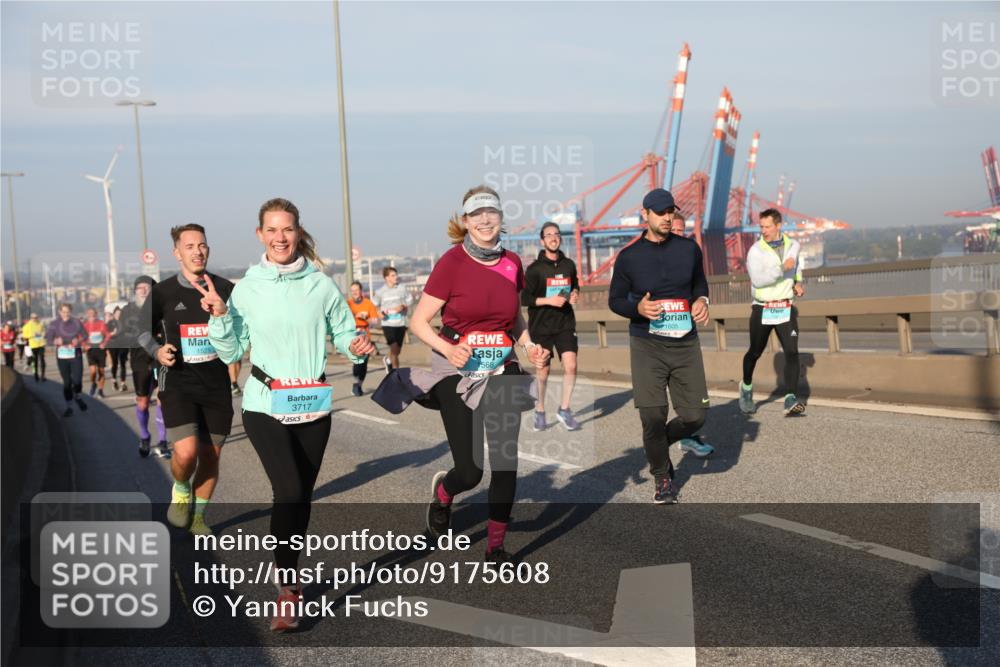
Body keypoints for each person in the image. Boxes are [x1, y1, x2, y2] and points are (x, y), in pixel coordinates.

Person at [204, 197, 373, 632]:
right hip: (265, 402)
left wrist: (356, 344)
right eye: (272, 230)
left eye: (288, 229)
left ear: (299, 233)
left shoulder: (321, 284)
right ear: (260, 234)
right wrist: (221, 316)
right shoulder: (248, 286)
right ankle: (287, 590)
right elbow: (231, 349)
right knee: (290, 488)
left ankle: (289, 575)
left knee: (300, 498)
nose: (280, 238)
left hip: (313, 402)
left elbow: (344, 331)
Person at [407, 185, 548, 564]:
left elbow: (514, 319)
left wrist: (529, 344)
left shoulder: (512, 263)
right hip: (457, 368)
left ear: (501, 218)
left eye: (492, 212)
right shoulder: (451, 263)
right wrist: (448, 347)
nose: (485, 220)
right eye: (477, 213)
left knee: (505, 462)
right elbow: (418, 322)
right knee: (470, 471)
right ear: (465, 221)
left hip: (502, 367)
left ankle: (496, 547)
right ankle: (444, 493)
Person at [609, 188, 715, 505]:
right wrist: (637, 309)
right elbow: (615, 300)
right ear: (646, 215)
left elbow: (699, 283)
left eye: (671, 211)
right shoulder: (628, 257)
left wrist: (702, 300)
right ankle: (662, 477)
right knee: (653, 416)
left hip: (685, 343)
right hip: (647, 344)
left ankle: (657, 444)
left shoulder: (689, 249)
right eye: (660, 212)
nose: (667, 217)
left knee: (696, 416)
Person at [139, 224, 236, 537]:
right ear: (177, 252)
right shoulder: (163, 292)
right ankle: (181, 488)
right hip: (178, 382)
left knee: (212, 455)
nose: (198, 251)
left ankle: (198, 516)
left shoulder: (226, 288)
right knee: (186, 453)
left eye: (203, 245)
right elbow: (140, 330)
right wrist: (157, 350)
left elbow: (242, 330)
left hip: (216, 384)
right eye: (190, 246)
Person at [741, 208, 806, 416]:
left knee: (792, 351)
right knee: (755, 352)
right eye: (761, 226)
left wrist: (797, 281)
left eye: (768, 226)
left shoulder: (793, 245)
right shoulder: (755, 251)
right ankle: (746, 388)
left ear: (778, 226)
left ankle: (790, 398)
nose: (764, 230)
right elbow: (758, 280)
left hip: (785, 307)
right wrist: (781, 268)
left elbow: (796, 265)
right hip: (763, 308)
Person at [521, 222, 581, 432]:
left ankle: (564, 409)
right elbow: (524, 298)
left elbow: (575, 286)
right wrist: (548, 301)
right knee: (543, 371)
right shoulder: (535, 269)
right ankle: (540, 409)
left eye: (556, 234)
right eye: (549, 235)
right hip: (541, 327)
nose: (553, 237)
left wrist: (574, 294)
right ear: (542, 241)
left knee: (571, 365)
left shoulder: (569, 265)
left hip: (565, 323)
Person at [120, 276, 169, 458]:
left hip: (160, 357)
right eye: (139, 288)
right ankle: (144, 435)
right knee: (143, 402)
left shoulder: (163, 308)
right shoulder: (128, 310)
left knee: (163, 399)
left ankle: (163, 441)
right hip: (140, 360)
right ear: (135, 291)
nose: (143, 290)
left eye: (147, 287)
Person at [46, 303, 88, 417]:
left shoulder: (76, 322)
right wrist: (55, 341)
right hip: (62, 356)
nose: (66, 314)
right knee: (67, 382)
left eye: (68, 312)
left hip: (76, 353)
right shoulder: (54, 324)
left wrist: (78, 341)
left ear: (71, 311)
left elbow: (85, 335)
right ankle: (69, 406)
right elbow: (48, 339)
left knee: (78, 380)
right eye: (64, 312)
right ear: (60, 312)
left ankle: (78, 396)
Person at [373, 266, 412, 373]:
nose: (396, 277)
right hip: (387, 323)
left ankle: (388, 359)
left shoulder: (402, 288)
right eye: (393, 275)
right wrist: (379, 313)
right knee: (394, 348)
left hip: (401, 323)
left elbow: (409, 300)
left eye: (396, 275)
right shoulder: (380, 291)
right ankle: (396, 375)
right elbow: (374, 305)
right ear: (386, 278)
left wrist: (403, 306)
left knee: (397, 351)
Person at [347, 280, 379, 396]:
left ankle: (359, 384)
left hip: (365, 335)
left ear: (361, 291)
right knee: (357, 361)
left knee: (364, 363)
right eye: (352, 291)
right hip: (352, 335)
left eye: (356, 290)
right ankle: (356, 383)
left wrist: (366, 318)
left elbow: (375, 321)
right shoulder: (348, 304)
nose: (354, 292)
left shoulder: (368, 303)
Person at [82, 308, 110, 398]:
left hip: (100, 350)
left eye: (93, 314)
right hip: (91, 350)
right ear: (87, 315)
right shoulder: (85, 325)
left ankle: (100, 390)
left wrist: (104, 343)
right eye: (89, 314)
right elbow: (81, 337)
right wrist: (85, 345)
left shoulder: (101, 323)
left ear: (96, 314)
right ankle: (93, 383)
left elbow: (107, 335)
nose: (91, 316)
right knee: (93, 371)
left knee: (101, 371)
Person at [105, 306, 129, 391]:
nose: (118, 315)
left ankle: (123, 383)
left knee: (123, 364)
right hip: (113, 345)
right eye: (117, 313)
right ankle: (114, 380)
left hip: (123, 346)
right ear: (114, 314)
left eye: (120, 313)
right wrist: (112, 333)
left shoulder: (125, 323)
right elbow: (105, 333)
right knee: (114, 363)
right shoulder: (110, 323)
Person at [22, 313, 47, 382]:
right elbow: (24, 336)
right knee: (35, 360)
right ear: (31, 318)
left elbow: (44, 331)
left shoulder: (40, 324)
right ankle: (36, 375)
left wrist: (43, 334)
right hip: (33, 345)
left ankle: (43, 375)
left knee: (42, 359)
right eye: (33, 317)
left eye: (36, 317)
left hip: (41, 344)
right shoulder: (27, 326)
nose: (35, 319)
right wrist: (32, 335)